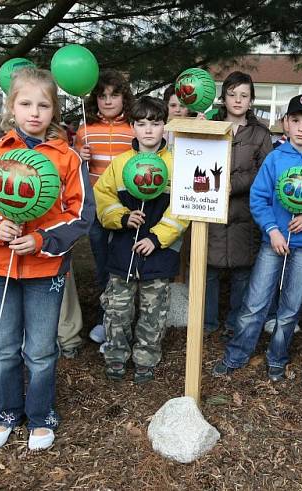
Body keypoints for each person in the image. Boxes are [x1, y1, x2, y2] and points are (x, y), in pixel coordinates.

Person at [0, 67, 93, 451]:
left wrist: (41, 240)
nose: (34, 112)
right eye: (26, 103)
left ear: (54, 110)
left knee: (40, 349)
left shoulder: (67, 159)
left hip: (45, 269)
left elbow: (81, 214)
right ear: (10, 107)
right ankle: (5, 413)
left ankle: (40, 415)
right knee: (1, 347)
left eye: (43, 105)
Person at [212, 94, 302, 382]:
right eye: (295, 121)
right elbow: (259, 198)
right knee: (255, 302)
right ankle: (237, 354)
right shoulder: (275, 159)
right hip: (273, 241)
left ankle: (277, 356)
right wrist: (272, 230)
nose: (301, 128)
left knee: (290, 307)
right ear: (285, 124)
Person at [94, 96, 187, 383]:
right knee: (117, 309)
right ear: (132, 126)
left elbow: (182, 208)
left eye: (156, 123)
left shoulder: (175, 164)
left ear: (165, 126)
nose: (149, 130)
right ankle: (115, 357)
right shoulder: (120, 164)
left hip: (159, 254)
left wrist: (157, 238)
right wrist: (122, 217)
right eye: (142, 123)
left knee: (153, 311)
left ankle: (146, 358)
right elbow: (103, 198)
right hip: (123, 251)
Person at [204, 72, 274, 337]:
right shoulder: (209, 125)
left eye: (244, 95)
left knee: (242, 272)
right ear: (223, 98)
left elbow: (266, 172)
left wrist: (236, 184)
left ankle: (235, 322)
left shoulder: (260, 134)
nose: (237, 100)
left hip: (245, 211)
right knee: (208, 270)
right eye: (232, 94)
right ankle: (207, 322)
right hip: (210, 208)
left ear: (251, 100)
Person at [76, 70, 135, 347]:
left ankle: (124, 319)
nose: (108, 101)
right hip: (96, 210)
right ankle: (103, 318)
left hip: (125, 208)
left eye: (115, 95)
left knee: (122, 263)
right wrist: (79, 156)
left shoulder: (133, 130)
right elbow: (74, 172)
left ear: (125, 98)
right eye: (102, 96)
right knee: (102, 265)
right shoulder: (85, 130)